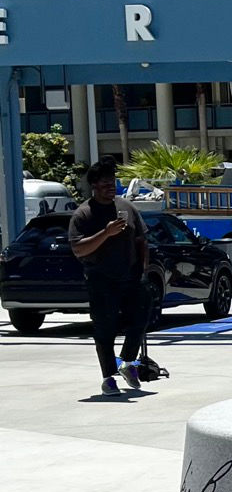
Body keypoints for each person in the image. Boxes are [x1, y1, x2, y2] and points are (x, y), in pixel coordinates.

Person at [68, 159, 152, 396]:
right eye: (105, 184)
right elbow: (79, 249)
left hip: (131, 277)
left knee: (140, 320)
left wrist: (143, 269)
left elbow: (141, 240)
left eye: (112, 183)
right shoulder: (83, 214)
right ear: (94, 185)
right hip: (101, 279)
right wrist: (106, 233)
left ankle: (126, 362)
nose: (110, 187)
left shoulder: (126, 207)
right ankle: (108, 378)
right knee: (105, 330)